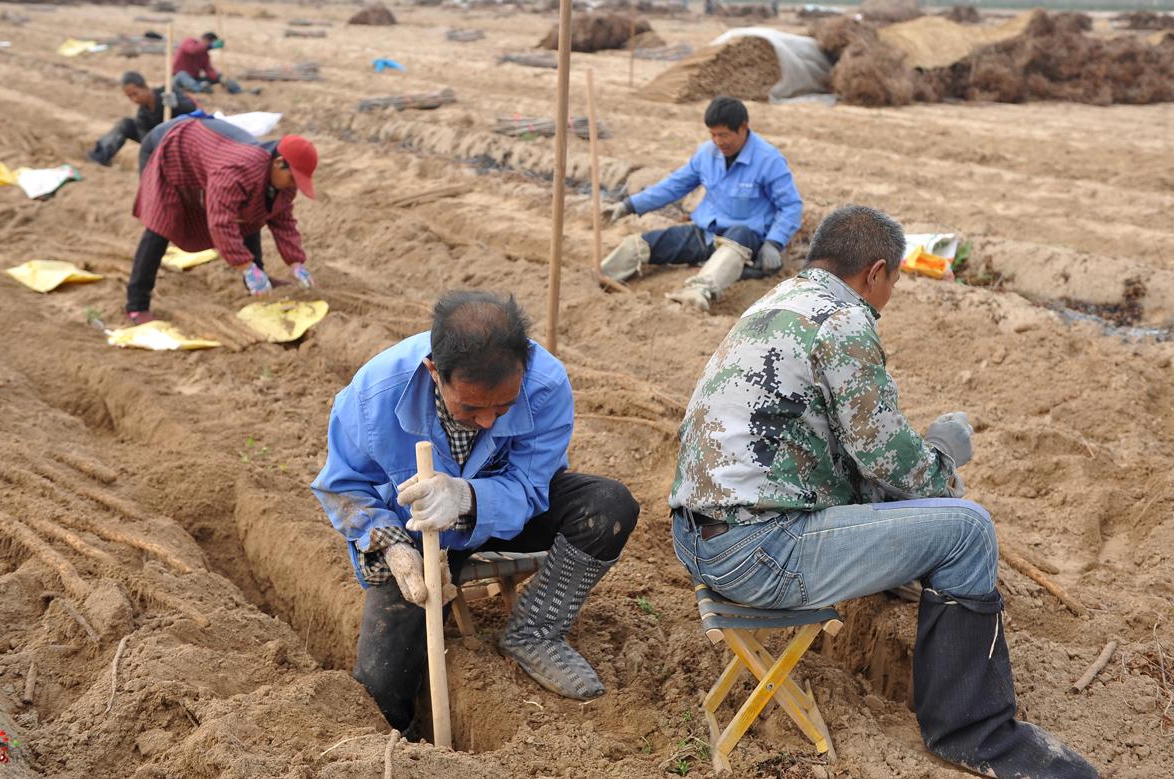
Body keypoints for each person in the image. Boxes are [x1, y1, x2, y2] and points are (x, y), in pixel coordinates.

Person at [668, 205, 1097, 778]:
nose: (889, 294)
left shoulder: (776, 304)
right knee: (968, 528)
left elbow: (845, 452)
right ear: (875, 272)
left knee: (895, 503)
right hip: (759, 553)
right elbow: (884, 455)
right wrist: (945, 461)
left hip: (699, 539)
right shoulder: (843, 320)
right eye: (894, 280)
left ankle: (913, 594)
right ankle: (975, 732)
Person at [312, 291, 639, 739]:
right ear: (435, 373)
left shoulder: (544, 385)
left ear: (522, 371)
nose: (488, 422)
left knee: (608, 508)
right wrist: (390, 547)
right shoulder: (374, 393)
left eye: (502, 408)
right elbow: (341, 485)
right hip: (419, 536)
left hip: (509, 514)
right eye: (470, 408)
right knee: (381, 687)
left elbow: (530, 487)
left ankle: (535, 632)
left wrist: (467, 497)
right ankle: (400, 749)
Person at [601, 95, 802, 311]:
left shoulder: (768, 160)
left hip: (745, 242)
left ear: (743, 127)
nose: (718, 141)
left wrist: (774, 243)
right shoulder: (706, 154)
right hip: (706, 233)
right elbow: (674, 185)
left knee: (740, 235)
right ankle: (600, 274)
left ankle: (698, 293)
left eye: (723, 135)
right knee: (642, 245)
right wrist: (629, 205)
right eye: (713, 134)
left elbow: (791, 206)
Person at [125, 116, 317, 324]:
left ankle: (255, 277)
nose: (293, 185)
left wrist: (296, 261)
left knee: (253, 210)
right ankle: (137, 304)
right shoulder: (237, 170)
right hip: (166, 147)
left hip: (203, 154)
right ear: (279, 163)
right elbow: (221, 222)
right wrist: (245, 266)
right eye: (293, 178)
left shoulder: (281, 180)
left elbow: (282, 219)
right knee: (161, 224)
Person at [86, 72, 198, 167]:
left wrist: (176, 104)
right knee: (125, 124)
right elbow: (145, 141)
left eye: (135, 94)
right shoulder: (142, 115)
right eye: (130, 97)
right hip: (159, 142)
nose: (134, 99)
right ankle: (101, 155)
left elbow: (192, 108)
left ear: (145, 87)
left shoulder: (167, 92)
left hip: (181, 137)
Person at [171, 32, 245, 95]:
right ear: (204, 40)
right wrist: (209, 46)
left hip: (194, 79)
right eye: (210, 43)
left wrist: (219, 78)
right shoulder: (189, 42)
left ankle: (238, 90)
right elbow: (192, 50)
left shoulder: (205, 55)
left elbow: (208, 70)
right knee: (182, 75)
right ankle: (200, 89)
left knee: (220, 76)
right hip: (178, 78)